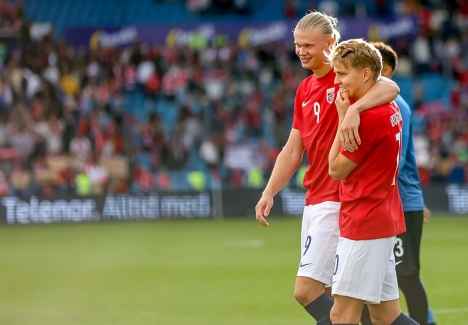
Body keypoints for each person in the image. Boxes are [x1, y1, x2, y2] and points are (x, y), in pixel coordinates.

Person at [254, 11, 400, 325]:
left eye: (309, 45)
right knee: (371, 310)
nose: (301, 51)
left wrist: (353, 110)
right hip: (316, 197)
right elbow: (294, 149)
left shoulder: (345, 78)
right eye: (297, 44)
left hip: (340, 199)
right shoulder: (305, 89)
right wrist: (269, 192)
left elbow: (390, 88)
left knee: (308, 292)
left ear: (331, 43)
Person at [327, 39, 418, 325]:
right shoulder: (388, 107)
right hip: (381, 217)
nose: (337, 81)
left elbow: (336, 169)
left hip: (363, 222)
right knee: (386, 316)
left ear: (366, 74)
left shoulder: (367, 118)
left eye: (342, 74)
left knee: (341, 315)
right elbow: (390, 86)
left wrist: (344, 115)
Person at [357, 41, 437, 325]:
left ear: (385, 70)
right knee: (373, 277)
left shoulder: (397, 104)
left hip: (397, 201)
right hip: (390, 202)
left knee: (405, 275)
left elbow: (396, 159)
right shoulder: (373, 103)